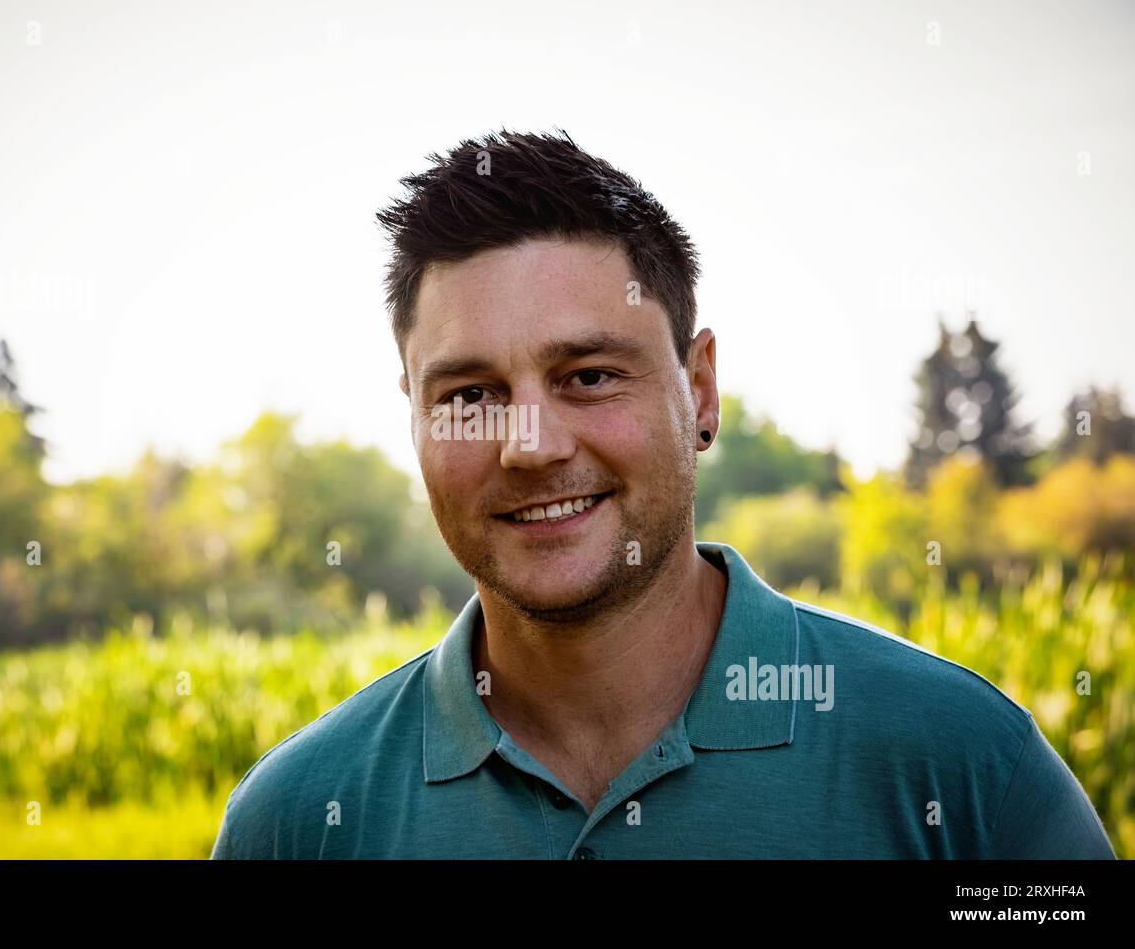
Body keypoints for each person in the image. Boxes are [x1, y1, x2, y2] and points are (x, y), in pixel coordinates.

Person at [211, 129, 1115, 859]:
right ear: (413, 419)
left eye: (591, 376)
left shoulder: (962, 772)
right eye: (471, 396)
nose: (531, 447)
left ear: (702, 391)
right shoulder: (300, 822)